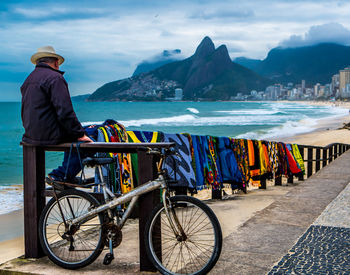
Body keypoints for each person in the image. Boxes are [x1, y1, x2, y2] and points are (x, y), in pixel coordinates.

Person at [21, 46, 92, 186]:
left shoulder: (28, 79)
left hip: (30, 135)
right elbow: (65, 111)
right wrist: (80, 134)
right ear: (56, 63)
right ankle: (62, 175)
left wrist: (77, 132)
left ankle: (66, 174)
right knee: (92, 136)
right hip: (49, 134)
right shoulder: (55, 78)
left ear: (38, 62)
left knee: (83, 132)